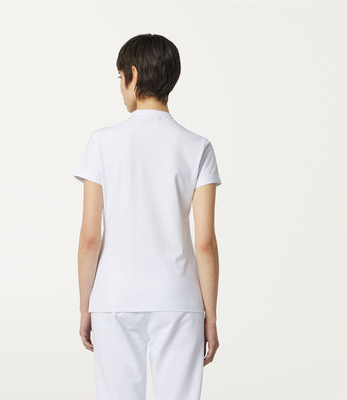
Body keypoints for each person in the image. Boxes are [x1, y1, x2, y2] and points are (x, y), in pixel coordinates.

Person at [74, 33, 222, 400]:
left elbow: (90, 237)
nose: (120, 87)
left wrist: (85, 306)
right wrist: (211, 315)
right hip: (179, 298)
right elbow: (204, 243)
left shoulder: (102, 143)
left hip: (114, 297)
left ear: (134, 75)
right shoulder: (198, 147)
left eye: (120, 77)